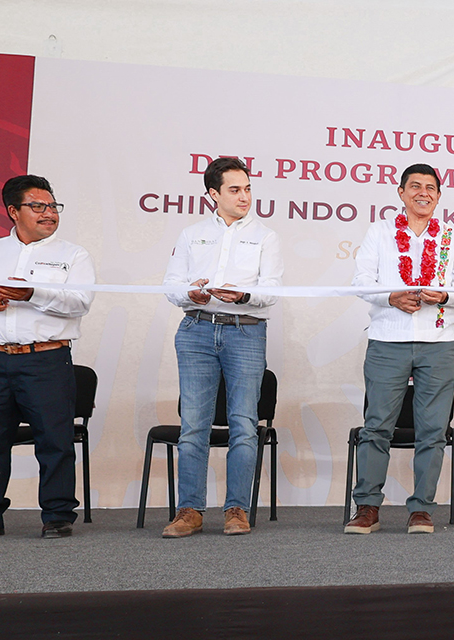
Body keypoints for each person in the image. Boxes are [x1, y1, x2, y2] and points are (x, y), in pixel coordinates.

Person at [0, 175, 95, 541]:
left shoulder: (73, 255)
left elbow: (81, 302)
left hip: (47, 360)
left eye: (52, 206)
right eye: (37, 206)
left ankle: (57, 515)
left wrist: (33, 294)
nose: (48, 214)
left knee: (54, 440)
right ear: (13, 211)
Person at [345, 163, 454, 535]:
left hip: (438, 343)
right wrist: (391, 297)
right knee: (377, 427)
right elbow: (361, 282)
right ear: (400, 193)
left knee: (433, 430)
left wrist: (446, 295)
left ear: (438, 195)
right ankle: (367, 506)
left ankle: (422, 509)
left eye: (431, 187)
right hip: (388, 340)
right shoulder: (379, 232)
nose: (423, 193)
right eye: (414, 186)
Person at [160, 157, 283, 538]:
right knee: (193, 424)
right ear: (213, 194)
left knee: (244, 424)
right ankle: (190, 510)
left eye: (247, 188)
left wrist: (244, 294)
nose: (244, 196)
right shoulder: (192, 234)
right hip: (196, 329)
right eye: (234, 189)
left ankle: (237, 510)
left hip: (245, 331)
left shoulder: (265, 236)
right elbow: (171, 286)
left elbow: (272, 290)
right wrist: (191, 292)